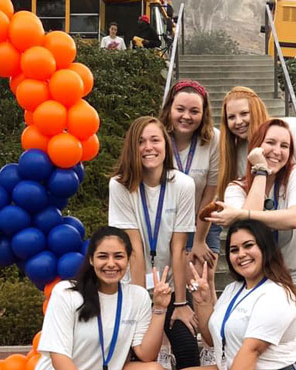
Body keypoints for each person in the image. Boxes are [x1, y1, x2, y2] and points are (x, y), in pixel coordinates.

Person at [217, 87, 296, 370]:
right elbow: (247, 228)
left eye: (244, 113)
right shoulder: (239, 163)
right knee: (276, 346)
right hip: (269, 271)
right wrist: (260, 171)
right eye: (231, 117)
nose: (238, 121)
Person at [108, 116, 200, 369]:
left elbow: (179, 248)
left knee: (187, 348)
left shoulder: (183, 184)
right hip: (132, 285)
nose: (148, 147)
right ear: (132, 147)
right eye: (141, 141)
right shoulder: (119, 186)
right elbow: (135, 250)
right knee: (140, 354)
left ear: (165, 145)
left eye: (155, 140)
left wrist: (180, 303)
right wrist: (142, 310)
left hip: (170, 285)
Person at [36, 226, 170, 370]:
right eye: (103, 256)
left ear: (128, 259)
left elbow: (146, 354)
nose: (111, 264)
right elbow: (59, 357)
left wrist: (160, 309)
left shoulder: (138, 296)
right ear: (91, 260)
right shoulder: (66, 293)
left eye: (118, 256)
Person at [187, 220, 296, 370]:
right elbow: (212, 339)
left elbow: (251, 351)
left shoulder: (276, 295)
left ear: (265, 247)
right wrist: (203, 302)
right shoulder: (232, 289)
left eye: (248, 245)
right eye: (234, 250)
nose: (241, 254)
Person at [159, 80, 220, 300]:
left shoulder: (213, 139)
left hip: (202, 220)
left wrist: (199, 240)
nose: (186, 116)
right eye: (180, 109)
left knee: (204, 280)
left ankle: (211, 334)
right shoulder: (157, 139)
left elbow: (210, 191)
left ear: (203, 114)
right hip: (167, 222)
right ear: (169, 109)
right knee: (177, 280)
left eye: (194, 111)